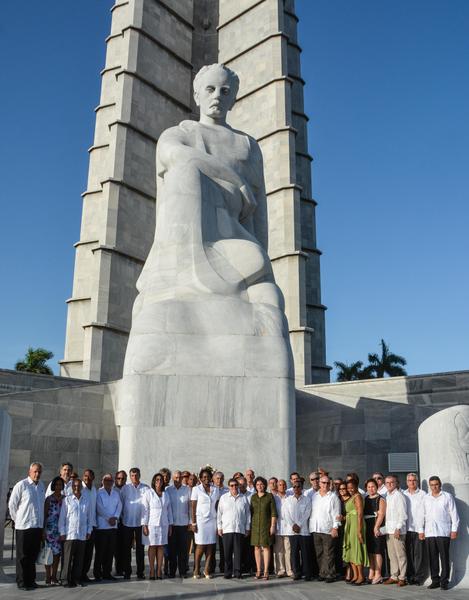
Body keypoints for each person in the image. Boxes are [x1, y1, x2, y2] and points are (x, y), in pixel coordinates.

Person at [9, 462, 46, 590]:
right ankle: (21, 582)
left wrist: (41, 526)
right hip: (24, 527)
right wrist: (17, 520)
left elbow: (41, 507)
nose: (37, 474)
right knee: (22, 556)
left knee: (32, 556)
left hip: (37, 527)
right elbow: (12, 505)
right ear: (29, 472)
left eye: (39, 472)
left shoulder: (41, 486)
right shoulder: (22, 485)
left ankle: (31, 581)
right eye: (35, 471)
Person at [419, 476, 459, 590]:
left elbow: (454, 514)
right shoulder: (426, 498)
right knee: (432, 557)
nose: (434, 487)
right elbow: (421, 515)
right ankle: (435, 580)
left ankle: (444, 581)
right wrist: (421, 530)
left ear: (440, 484)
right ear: (429, 486)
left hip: (443, 531)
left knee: (445, 557)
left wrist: (454, 529)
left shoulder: (447, 497)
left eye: (436, 484)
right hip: (430, 532)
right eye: (432, 485)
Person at [58, 479, 93, 588]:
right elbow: (62, 518)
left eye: (78, 486)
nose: (76, 488)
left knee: (79, 559)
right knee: (67, 559)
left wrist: (89, 531)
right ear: (72, 487)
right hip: (70, 534)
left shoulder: (86, 500)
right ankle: (65, 579)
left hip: (82, 534)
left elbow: (89, 518)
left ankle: (76, 579)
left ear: (82, 487)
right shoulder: (67, 500)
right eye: (74, 486)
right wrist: (62, 532)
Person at [217, 478, 251, 579]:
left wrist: (247, 527)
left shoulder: (243, 498)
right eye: (232, 485)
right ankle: (227, 572)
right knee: (227, 553)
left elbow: (248, 514)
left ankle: (237, 572)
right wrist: (219, 527)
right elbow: (219, 513)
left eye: (236, 485)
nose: (234, 487)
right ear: (229, 487)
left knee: (238, 553)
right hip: (227, 529)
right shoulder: (223, 498)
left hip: (239, 529)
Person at [309, 475, 341, 583]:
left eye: (327, 483)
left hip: (328, 528)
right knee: (319, 553)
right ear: (319, 483)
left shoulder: (333, 497)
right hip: (316, 528)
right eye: (323, 482)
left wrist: (335, 527)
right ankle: (322, 573)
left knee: (329, 553)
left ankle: (330, 574)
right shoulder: (314, 496)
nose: (325, 485)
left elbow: (336, 513)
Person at [142, 473, 173, 580]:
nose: (159, 482)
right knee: (152, 546)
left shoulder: (166, 494)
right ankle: (151, 570)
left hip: (163, 524)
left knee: (161, 547)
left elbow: (169, 510)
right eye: (157, 480)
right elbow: (144, 510)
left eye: (160, 480)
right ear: (154, 482)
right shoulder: (148, 493)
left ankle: (159, 570)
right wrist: (144, 525)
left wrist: (170, 525)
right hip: (151, 524)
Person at [120, 467, 149, 580]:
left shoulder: (146, 488)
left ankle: (140, 572)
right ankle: (127, 571)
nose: (134, 477)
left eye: (136, 475)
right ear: (130, 476)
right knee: (126, 549)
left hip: (140, 523)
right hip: (127, 522)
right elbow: (121, 503)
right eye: (132, 475)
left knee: (140, 549)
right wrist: (122, 517)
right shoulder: (125, 489)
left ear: (139, 475)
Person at [191, 468, 220, 578]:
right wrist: (193, 523)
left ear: (211, 477)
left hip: (212, 520)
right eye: (203, 477)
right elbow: (193, 506)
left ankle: (207, 569)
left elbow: (217, 505)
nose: (206, 479)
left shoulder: (215, 489)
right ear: (200, 478)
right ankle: (197, 569)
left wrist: (218, 522)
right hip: (201, 521)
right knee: (200, 546)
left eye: (208, 477)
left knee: (210, 546)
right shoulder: (196, 489)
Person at [94, 473, 122, 581]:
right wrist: (108, 518)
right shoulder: (99, 492)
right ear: (102, 481)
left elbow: (120, 506)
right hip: (102, 527)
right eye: (106, 480)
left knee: (110, 551)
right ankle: (97, 573)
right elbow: (99, 508)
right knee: (100, 551)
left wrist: (115, 517)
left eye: (110, 480)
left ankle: (107, 572)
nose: (108, 482)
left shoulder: (115, 493)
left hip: (113, 527)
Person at [381, 475, 408, 587]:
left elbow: (403, 514)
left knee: (400, 555)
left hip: (397, 530)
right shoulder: (386, 495)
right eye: (387, 483)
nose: (389, 484)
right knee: (392, 555)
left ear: (396, 483)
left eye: (392, 482)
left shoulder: (399, 496)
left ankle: (402, 577)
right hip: (389, 530)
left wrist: (398, 527)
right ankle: (394, 576)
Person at [250, 476, 277, 580]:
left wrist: (273, 526)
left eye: (261, 484)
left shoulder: (269, 496)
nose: (259, 486)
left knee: (266, 547)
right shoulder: (253, 497)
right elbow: (251, 512)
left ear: (265, 485)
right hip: (255, 526)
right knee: (256, 547)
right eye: (257, 484)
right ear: (255, 486)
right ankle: (258, 570)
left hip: (266, 526)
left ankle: (266, 570)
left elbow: (274, 512)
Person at [283, 479, 311, 581]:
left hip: (303, 531)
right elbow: (285, 514)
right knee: (294, 553)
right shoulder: (288, 500)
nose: (296, 488)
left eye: (298, 486)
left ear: (302, 488)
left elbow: (307, 513)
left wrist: (298, 524)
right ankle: (296, 573)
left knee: (305, 554)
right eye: (294, 487)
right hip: (292, 531)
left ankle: (307, 573)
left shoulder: (307, 500)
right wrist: (293, 525)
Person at [343, 477, 369, 585]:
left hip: (356, 525)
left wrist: (359, 530)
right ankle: (355, 575)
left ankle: (361, 576)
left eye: (352, 487)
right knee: (351, 550)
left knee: (357, 549)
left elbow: (359, 514)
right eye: (348, 488)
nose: (350, 489)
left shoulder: (357, 497)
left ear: (356, 486)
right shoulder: (352, 496)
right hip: (349, 525)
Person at [166, 470, 191, 578]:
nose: (177, 480)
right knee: (172, 550)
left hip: (184, 525)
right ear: (172, 478)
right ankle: (172, 572)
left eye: (179, 478)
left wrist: (190, 522)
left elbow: (191, 507)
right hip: (172, 525)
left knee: (183, 550)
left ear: (182, 479)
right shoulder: (168, 490)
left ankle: (182, 571)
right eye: (175, 478)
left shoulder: (187, 490)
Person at [403, 472, 427, 586]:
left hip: (418, 529)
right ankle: (410, 576)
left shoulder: (423, 494)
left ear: (417, 481)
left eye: (414, 480)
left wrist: (422, 529)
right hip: (407, 528)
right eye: (410, 480)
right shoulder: (403, 494)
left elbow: (425, 512)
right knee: (408, 553)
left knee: (419, 554)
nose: (412, 482)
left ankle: (419, 577)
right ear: (406, 482)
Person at [363, 478, 386, 584]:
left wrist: (376, 527)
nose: (371, 489)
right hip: (367, 526)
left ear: (377, 487)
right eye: (368, 487)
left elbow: (381, 514)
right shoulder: (366, 498)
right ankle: (371, 572)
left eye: (373, 486)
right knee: (371, 551)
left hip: (376, 525)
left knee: (377, 551)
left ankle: (378, 574)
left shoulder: (380, 499)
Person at [43, 476, 64, 585]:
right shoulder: (49, 499)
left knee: (57, 555)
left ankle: (54, 576)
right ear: (53, 486)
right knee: (48, 554)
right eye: (56, 484)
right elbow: (45, 515)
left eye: (60, 484)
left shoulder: (65, 499)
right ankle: (47, 576)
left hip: (60, 531)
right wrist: (43, 531)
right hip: (49, 531)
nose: (58, 486)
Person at [272, 479, 293, 578]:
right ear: (277, 486)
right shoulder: (274, 498)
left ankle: (289, 570)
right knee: (278, 550)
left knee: (288, 550)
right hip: (278, 527)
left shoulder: (290, 497)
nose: (282, 486)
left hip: (289, 528)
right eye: (280, 485)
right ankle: (280, 570)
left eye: (284, 484)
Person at [81, 469, 97, 582]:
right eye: (85, 476)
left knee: (89, 552)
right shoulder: (80, 489)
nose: (87, 478)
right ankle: (78, 573)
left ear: (93, 478)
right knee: (81, 552)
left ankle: (84, 574)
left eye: (90, 476)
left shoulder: (94, 489)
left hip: (92, 525)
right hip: (82, 526)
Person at [213, 471, 228, 573]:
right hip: (211, 521)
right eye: (217, 478)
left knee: (223, 546)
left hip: (223, 522)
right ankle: (211, 566)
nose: (219, 480)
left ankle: (223, 566)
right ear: (213, 479)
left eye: (221, 478)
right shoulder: (210, 489)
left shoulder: (227, 490)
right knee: (211, 546)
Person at [113, 470, 127, 576]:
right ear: (115, 479)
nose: (120, 480)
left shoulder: (128, 489)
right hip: (114, 522)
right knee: (116, 547)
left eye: (122, 478)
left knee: (125, 547)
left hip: (126, 522)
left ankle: (124, 568)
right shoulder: (112, 490)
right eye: (118, 478)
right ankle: (118, 569)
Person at [335, 481, 350, 579]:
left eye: (344, 488)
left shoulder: (351, 499)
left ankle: (348, 571)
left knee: (348, 548)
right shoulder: (337, 500)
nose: (342, 491)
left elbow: (355, 513)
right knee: (339, 549)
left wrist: (344, 518)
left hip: (349, 527)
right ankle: (340, 571)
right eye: (340, 489)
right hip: (339, 528)